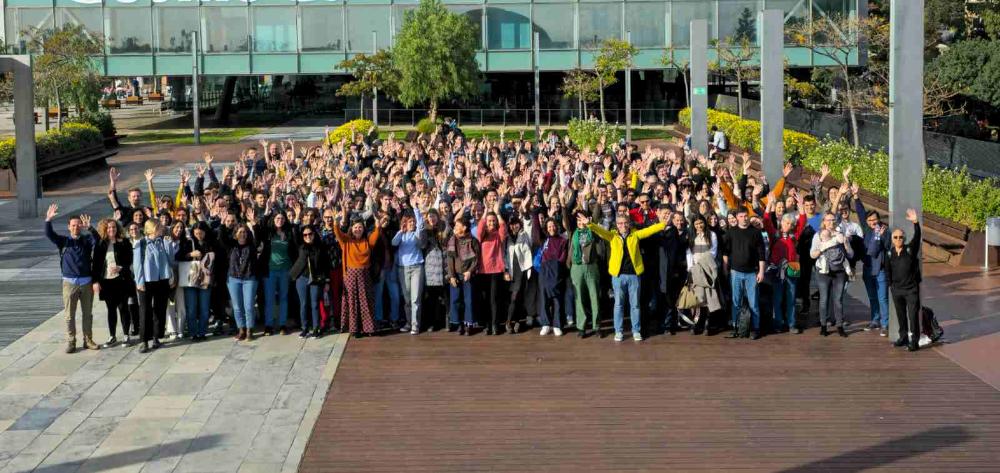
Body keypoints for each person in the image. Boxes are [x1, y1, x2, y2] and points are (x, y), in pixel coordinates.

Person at [586, 214, 665, 342]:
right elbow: (600, 231)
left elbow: (649, 231)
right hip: (618, 276)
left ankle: (636, 331)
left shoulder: (635, 235)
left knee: (635, 305)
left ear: (629, 223)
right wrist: (590, 224)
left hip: (634, 275)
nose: (623, 225)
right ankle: (619, 331)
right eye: (620, 223)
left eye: (625, 223)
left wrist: (662, 224)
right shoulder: (612, 236)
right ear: (617, 225)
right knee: (618, 305)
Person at [45, 204, 100, 353]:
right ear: (69, 227)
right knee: (69, 315)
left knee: (87, 314)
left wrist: (91, 228)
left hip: (86, 281)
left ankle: (88, 339)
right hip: (69, 282)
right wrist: (48, 220)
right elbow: (50, 235)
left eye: (78, 225)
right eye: (73, 225)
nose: (76, 227)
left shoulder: (87, 240)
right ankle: (71, 340)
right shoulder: (64, 241)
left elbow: (98, 240)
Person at [334, 209, 387, 336]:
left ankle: (368, 328)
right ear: (352, 229)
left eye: (360, 227)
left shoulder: (367, 241)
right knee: (352, 303)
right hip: (351, 275)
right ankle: (354, 329)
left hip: (364, 275)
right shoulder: (346, 241)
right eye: (355, 227)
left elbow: (375, 235)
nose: (358, 229)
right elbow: (338, 233)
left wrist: (377, 225)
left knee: (366, 302)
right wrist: (336, 223)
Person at [92, 218, 136, 348]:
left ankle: (126, 335)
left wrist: (121, 267)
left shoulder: (124, 242)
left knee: (123, 308)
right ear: (105, 230)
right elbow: (95, 265)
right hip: (107, 282)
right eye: (109, 228)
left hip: (121, 280)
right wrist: (95, 281)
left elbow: (129, 261)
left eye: (114, 227)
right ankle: (112, 336)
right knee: (110, 309)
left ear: (117, 229)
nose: (112, 229)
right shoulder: (101, 244)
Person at [724, 208, 766, 340]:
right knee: (735, 301)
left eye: (745, 216)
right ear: (737, 218)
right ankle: (736, 328)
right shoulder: (731, 232)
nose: (744, 218)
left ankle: (756, 328)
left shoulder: (756, 232)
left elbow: (761, 254)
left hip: (751, 273)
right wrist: (725, 269)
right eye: (741, 216)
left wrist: (761, 272)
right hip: (735, 272)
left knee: (753, 303)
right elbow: (726, 253)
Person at [134, 220, 175, 353]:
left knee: (160, 308)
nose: (162, 228)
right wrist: (139, 282)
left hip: (162, 279)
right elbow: (137, 265)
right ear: (151, 229)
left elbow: (171, 261)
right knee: (145, 310)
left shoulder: (163, 242)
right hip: (146, 280)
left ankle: (156, 336)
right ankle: (144, 340)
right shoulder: (141, 243)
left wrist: (169, 245)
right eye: (159, 227)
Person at [809, 212, 853, 337]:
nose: (831, 223)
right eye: (828, 220)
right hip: (823, 271)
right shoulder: (818, 236)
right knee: (824, 299)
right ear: (824, 221)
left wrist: (846, 243)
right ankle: (823, 326)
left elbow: (850, 254)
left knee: (838, 299)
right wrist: (823, 247)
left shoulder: (840, 235)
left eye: (833, 220)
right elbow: (812, 255)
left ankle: (839, 326)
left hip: (839, 271)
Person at [855, 193, 891, 337]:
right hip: (868, 269)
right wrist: (856, 197)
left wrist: (879, 236)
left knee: (882, 297)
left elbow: (879, 249)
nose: (872, 222)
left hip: (880, 269)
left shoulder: (884, 231)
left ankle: (885, 324)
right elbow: (860, 212)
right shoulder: (866, 228)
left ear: (879, 219)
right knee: (872, 297)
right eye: (870, 220)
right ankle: (875, 320)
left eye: (874, 220)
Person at [887, 209, 922, 352]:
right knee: (900, 315)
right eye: (895, 237)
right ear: (892, 239)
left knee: (912, 315)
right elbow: (887, 270)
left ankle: (914, 341)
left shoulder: (910, 250)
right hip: (897, 290)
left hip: (911, 289)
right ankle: (903, 337)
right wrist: (892, 286)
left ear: (904, 238)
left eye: (900, 237)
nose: (898, 239)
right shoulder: (889, 253)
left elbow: (917, 236)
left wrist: (915, 222)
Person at [176, 222, 217, 341]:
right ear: (193, 232)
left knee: (204, 308)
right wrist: (190, 254)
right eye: (196, 232)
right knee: (192, 308)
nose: (199, 234)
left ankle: (202, 332)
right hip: (191, 280)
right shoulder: (189, 243)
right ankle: (193, 332)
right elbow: (178, 256)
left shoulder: (211, 243)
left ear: (205, 232)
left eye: (201, 232)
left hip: (206, 280)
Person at [392, 206, 427, 335]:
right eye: (410, 222)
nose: (412, 224)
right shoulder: (401, 235)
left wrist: (417, 210)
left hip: (417, 267)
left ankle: (415, 325)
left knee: (415, 298)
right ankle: (408, 322)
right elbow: (394, 243)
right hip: (403, 268)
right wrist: (401, 231)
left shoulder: (417, 234)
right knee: (407, 299)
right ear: (405, 223)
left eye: (413, 222)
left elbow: (421, 226)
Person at [291, 224, 330, 338]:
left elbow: (325, 265)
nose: (307, 236)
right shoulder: (300, 246)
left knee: (315, 304)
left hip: (316, 279)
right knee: (303, 304)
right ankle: (305, 328)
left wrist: (327, 281)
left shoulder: (321, 247)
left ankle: (316, 328)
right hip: (302, 278)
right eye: (305, 235)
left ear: (314, 234)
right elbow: (294, 234)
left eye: (310, 234)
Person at [568, 210, 603, 338]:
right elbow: (566, 220)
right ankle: (581, 327)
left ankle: (597, 326)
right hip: (577, 268)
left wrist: (589, 223)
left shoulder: (592, 231)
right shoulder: (572, 233)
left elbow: (596, 220)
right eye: (578, 220)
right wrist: (563, 204)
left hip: (591, 267)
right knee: (579, 298)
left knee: (595, 297)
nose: (580, 222)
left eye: (582, 220)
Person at [685, 214, 721, 335]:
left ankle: (709, 324)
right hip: (696, 270)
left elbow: (713, 252)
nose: (699, 226)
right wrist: (690, 268)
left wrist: (702, 263)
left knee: (709, 296)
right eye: (696, 224)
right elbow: (689, 253)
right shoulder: (691, 236)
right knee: (699, 298)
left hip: (708, 268)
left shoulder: (712, 235)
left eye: (701, 223)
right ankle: (698, 323)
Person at [447, 216, 481, 335]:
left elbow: (477, 259)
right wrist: (451, 275)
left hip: (468, 275)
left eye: (457, 225)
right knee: (455, 300)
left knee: (468, 300)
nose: (455, 228)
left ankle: (469, 324)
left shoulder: (473, 240)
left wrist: (470, 271)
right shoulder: (452, 240)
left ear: (464, 227)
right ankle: (458, 323)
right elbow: (450, 258)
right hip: (455, 275)